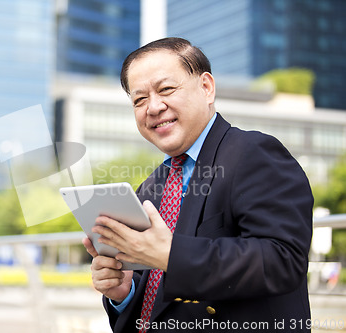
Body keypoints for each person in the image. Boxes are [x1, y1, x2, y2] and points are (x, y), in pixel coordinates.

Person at [82, 37, 313, 332]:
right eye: (139, 100)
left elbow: (282, 260)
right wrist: (123, 293)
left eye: (166, 89)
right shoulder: (151, 187)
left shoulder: (253, 153)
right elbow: (158, 300)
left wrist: (170, 255)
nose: (152, 107)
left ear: (206, 87)